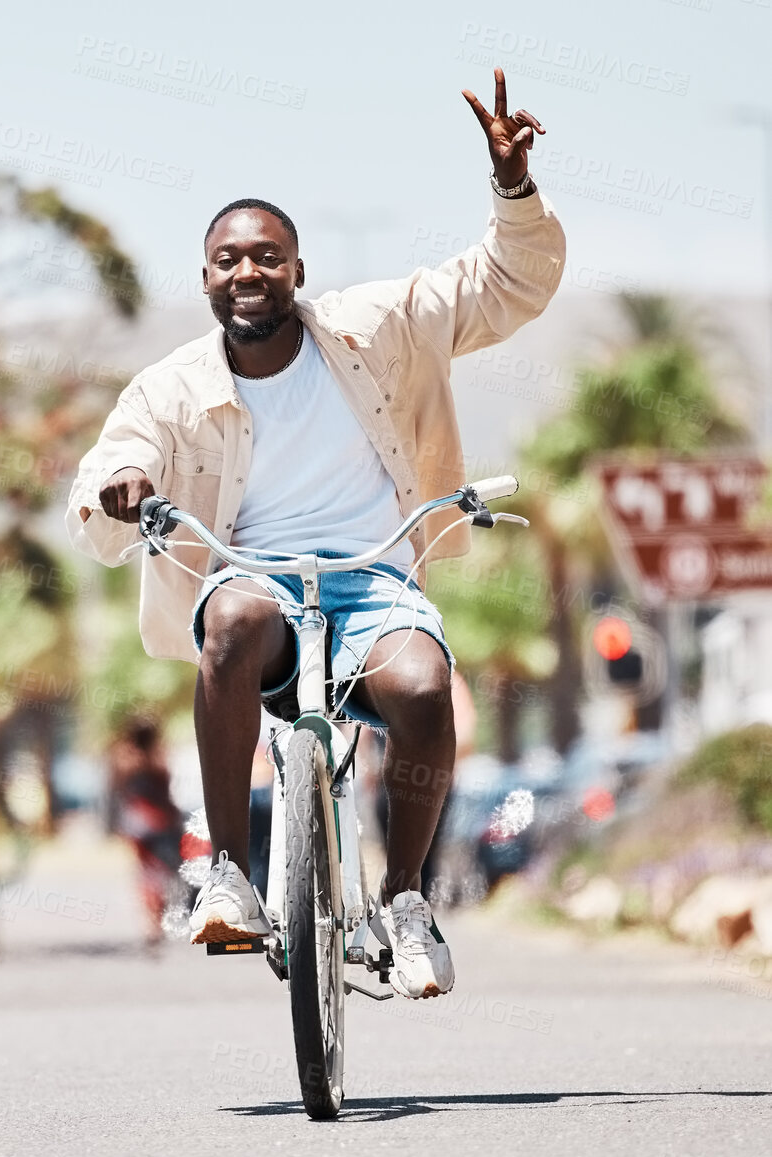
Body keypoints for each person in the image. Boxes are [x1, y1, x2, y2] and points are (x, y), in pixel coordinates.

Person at [67, 69, 564, 999]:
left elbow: (508, 285)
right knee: (228, 624)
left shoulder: (378, 328)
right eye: (227, 260)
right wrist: (120, 485)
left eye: (267, 256)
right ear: (206, 277)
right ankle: (229, 873)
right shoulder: (171, 386)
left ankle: (408, 900)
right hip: (256, 583)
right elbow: (106, 472)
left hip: (375, 582)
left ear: (298, 270)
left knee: (422, 689)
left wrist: (512, 188)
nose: (247, 272)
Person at [105, 718, 183, 946]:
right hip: (156, 820)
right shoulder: (154, 757)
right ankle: (154, 922)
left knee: (149, 873)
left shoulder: (125, 757)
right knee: (157, 872)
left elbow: (116, 787)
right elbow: (166, 784)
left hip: (139, 821)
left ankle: (153, 922)